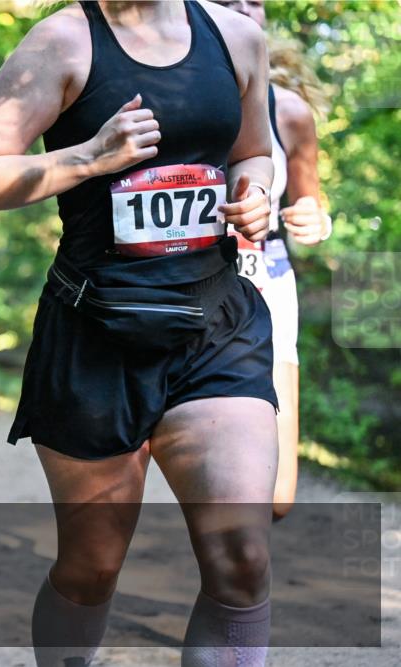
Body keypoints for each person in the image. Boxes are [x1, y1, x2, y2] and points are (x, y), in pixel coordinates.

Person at [0, 1, 277, 665]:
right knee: (91, 566)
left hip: (214, 328)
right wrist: (90, 157)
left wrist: (255, 192)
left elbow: (256, 153)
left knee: (241, 556)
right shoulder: (63, 42)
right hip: (94, 336)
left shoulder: (237, 36)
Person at [210, 0, 332, 521]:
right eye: (225, 0)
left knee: (276, 497)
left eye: (253, 1)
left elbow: (310, 203)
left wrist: (316, 220)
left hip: (266, 283)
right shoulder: (158, 93)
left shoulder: (291, 113)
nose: (242, 10)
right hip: (175, 285)